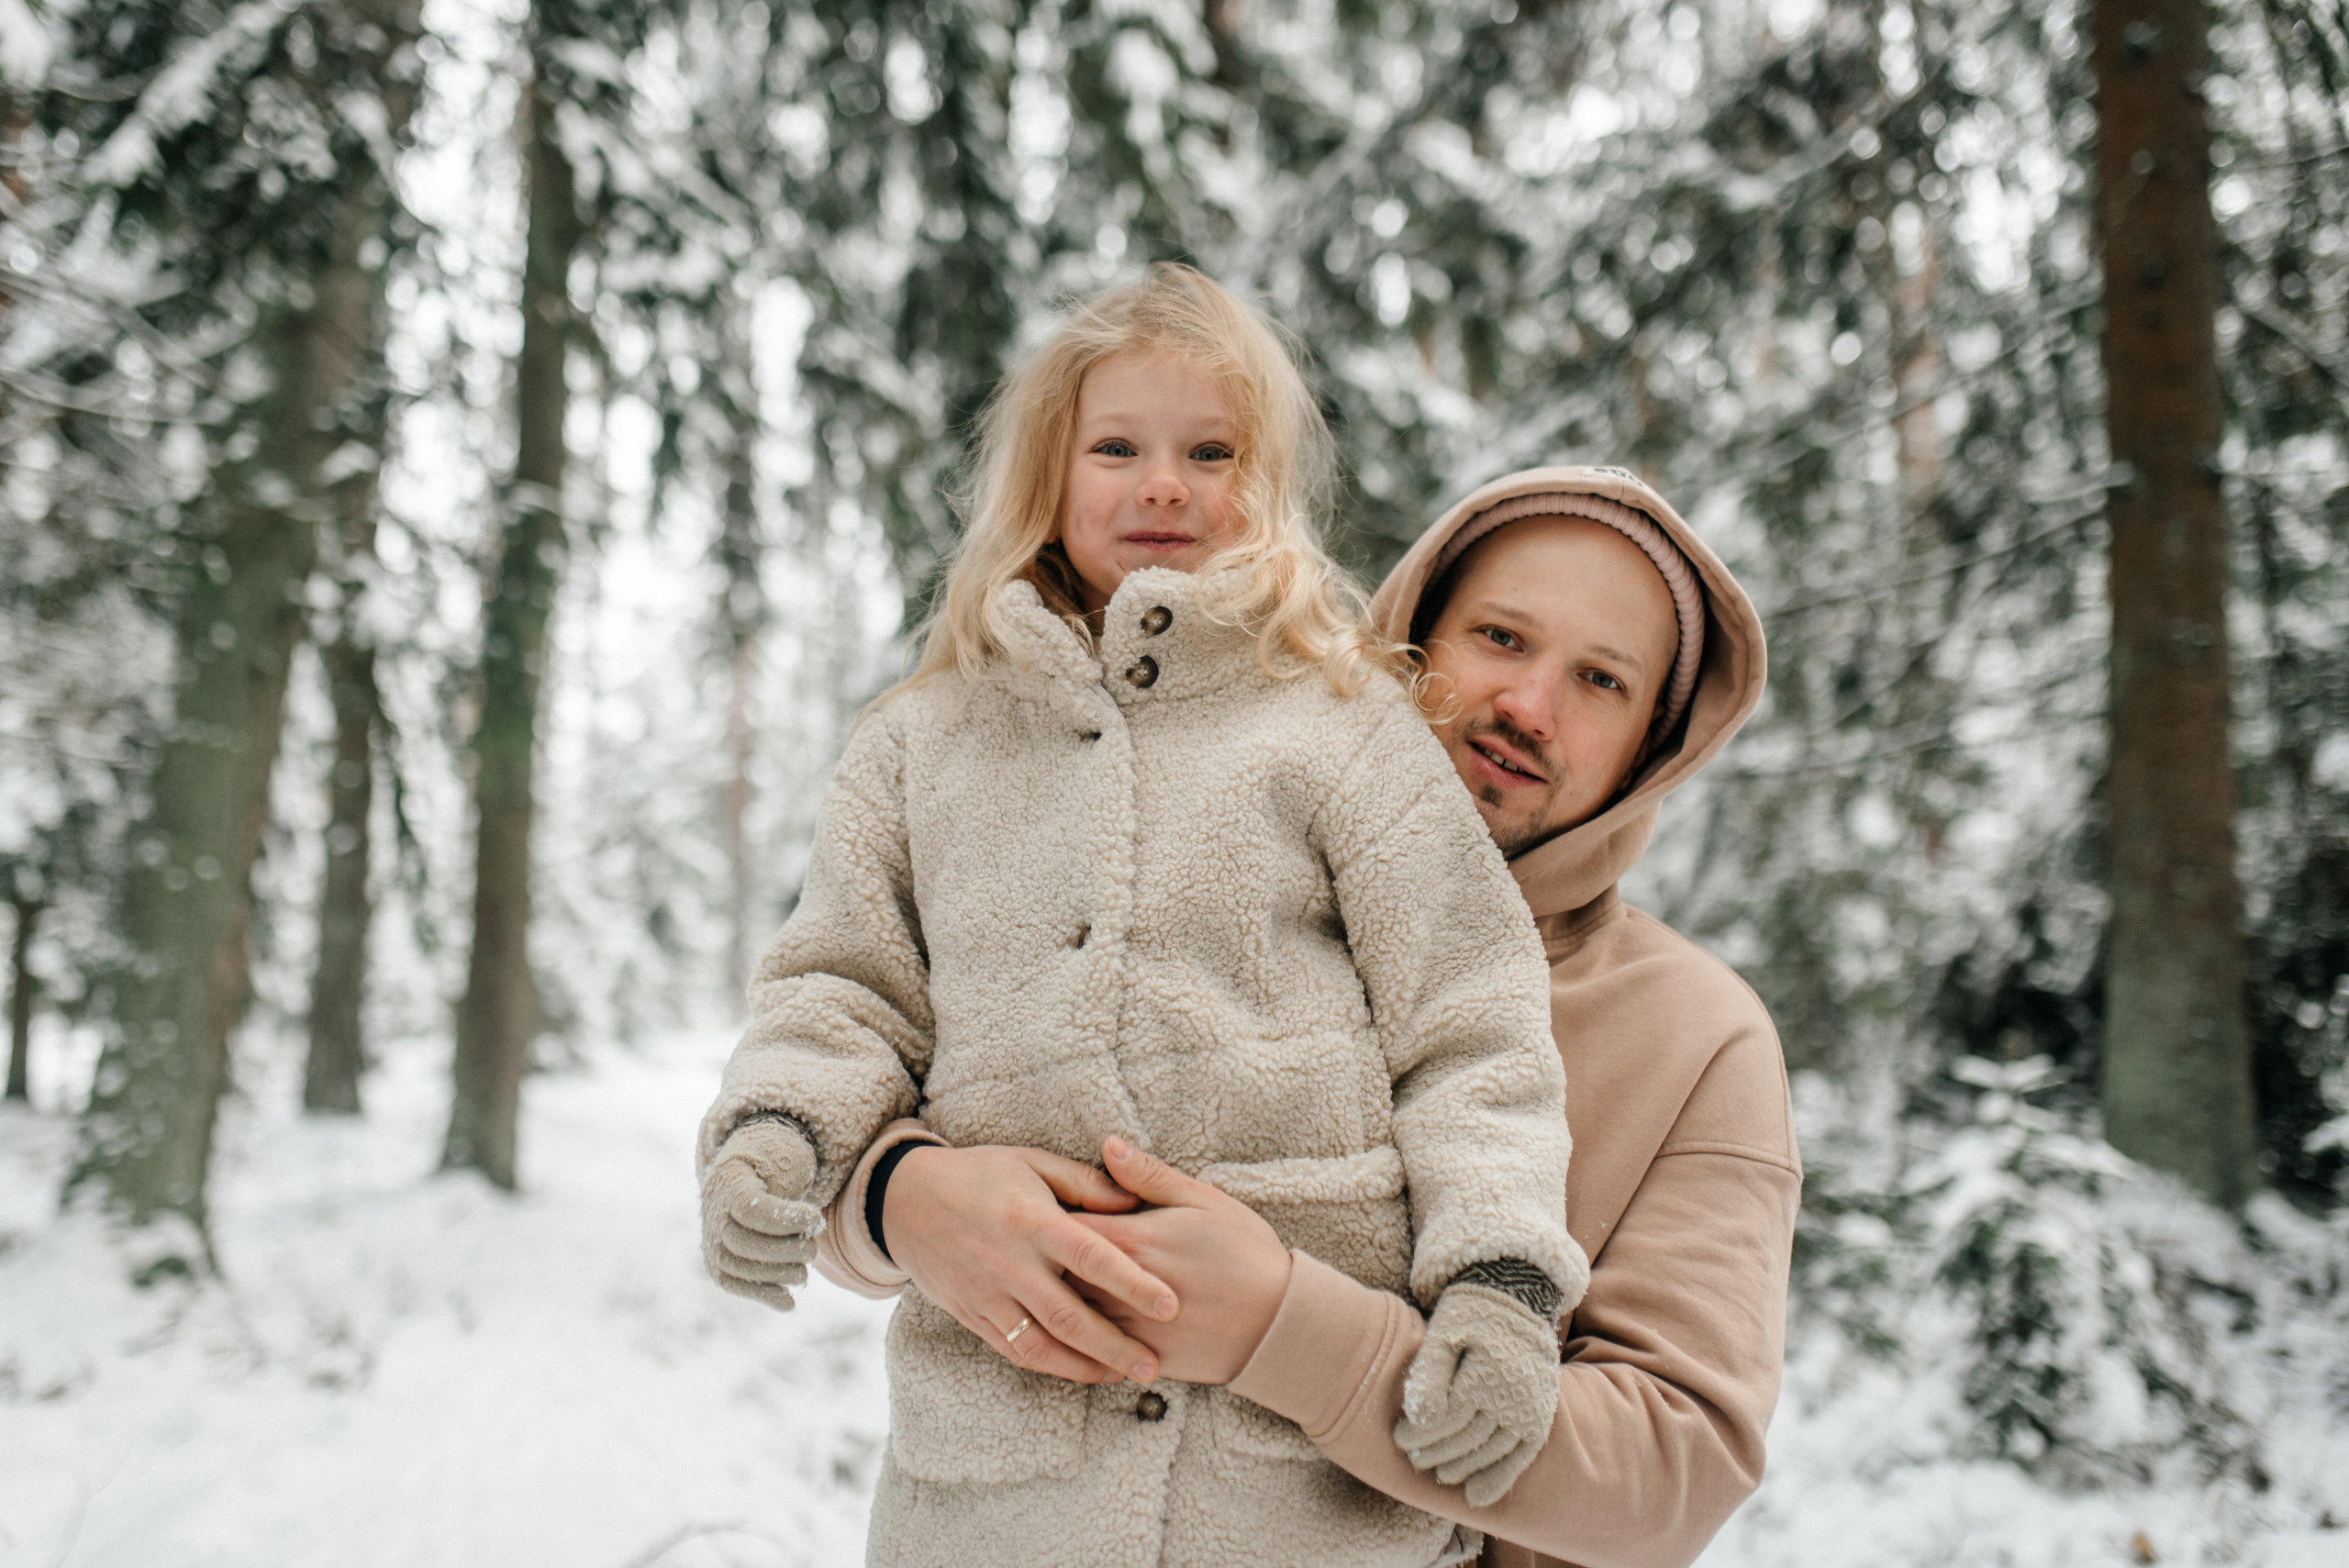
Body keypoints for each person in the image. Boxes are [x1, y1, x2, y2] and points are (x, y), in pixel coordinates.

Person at [694, 269, 1589, 1568]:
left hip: (1292, 1496)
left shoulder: (1345, 724)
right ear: (1047, 474)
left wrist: (1501, 1287)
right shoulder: (919, 743)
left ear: (1267, 481)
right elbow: (839, 986)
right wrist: (775, 1133)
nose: (1163, 483)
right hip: (997, 1484)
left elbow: (1474, 1027)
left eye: (1210, 451)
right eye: (1118, 447)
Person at [840, 465, 1798, 1568]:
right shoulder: (1183, 859)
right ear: (1408, 638)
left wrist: (1281, 1332)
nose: (1528, 706)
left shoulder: (1699, 1036)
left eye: (1600, 679)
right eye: (1498, 637)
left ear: (1653, 746)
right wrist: (899, 1198)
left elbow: (1672, 1476)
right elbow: (837, 1076)